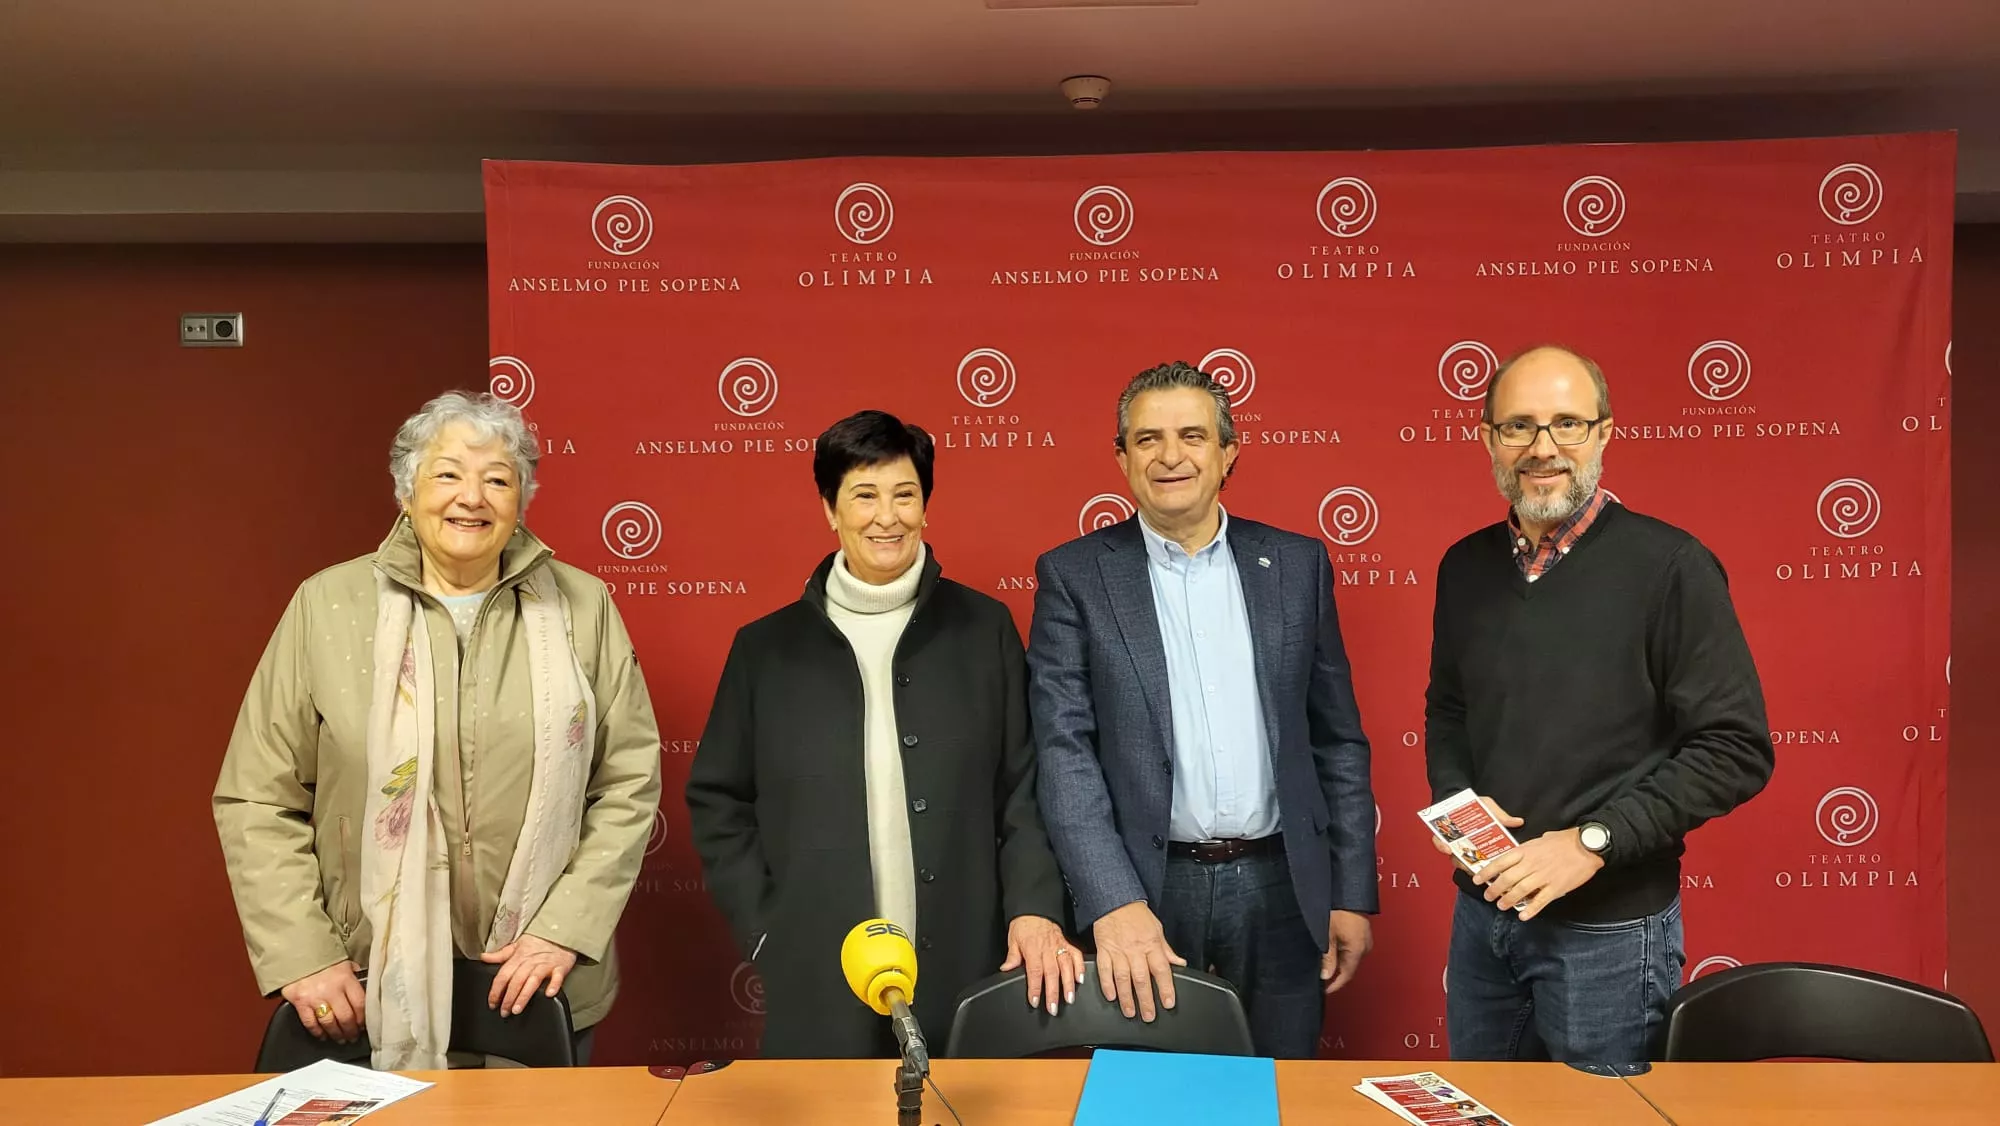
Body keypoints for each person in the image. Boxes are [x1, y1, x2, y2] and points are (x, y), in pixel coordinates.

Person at [214, 391, 663, 1070]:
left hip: (533, 981)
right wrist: (305, 954)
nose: (471, 497)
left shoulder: (584, 606)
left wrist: (563, 932)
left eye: (497, 478)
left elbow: (627, 783)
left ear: (522, 500)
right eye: (448, 473)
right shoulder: (325, 606)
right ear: (406, 491)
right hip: (362, 982)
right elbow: (257, 797)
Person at [686, 409, 1071, 1058]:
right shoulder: (765, 650)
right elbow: (717, 799)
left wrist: (1033, 907)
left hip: (968, 966)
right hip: (817, 973)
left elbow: (1026, 788)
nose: (886, 517)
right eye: (864, 495)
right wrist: (765, 929)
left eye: (905, 495)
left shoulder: (984, 630)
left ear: (927, 506)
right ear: (830, 511)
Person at [1425, 345, 1774, 1063]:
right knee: (1486, 1111)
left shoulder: (1671, 566)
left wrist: (1592, 842)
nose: (1542, 448)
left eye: (1567, 424)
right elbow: (1450, 708)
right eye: (1518, 426)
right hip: (1484, 915)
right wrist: (1457, 804)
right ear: (1487, 438)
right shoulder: (1464, 566)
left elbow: (1735, 748)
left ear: (1605, 433)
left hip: (1608, 933)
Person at [1028, 361, 1378, 1060]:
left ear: (1228, 451)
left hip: (1285, 886)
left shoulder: (1299, 564)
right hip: (1148, 891)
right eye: (1147, 438)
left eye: (1192, 434)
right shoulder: (1073, 576)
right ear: (1122, 458)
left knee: (1277, 1090)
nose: (1170, 455)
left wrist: (1350, 889)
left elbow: (1336, 740)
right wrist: (1111, 902)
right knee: (1149, 1101)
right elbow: (1064, 753)